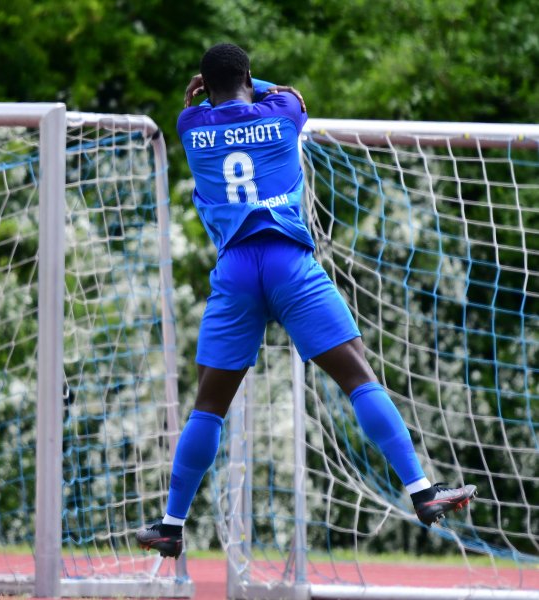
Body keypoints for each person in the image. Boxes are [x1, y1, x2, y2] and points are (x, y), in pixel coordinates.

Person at [136, 43, 476, 559]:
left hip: (235, 272)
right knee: (358, 376)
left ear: (202, 85)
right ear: (249, 77)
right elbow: (286, 94)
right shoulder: (282, 113)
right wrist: (253, 84)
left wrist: (209, 90)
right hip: (288, 263)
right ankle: (422, 492)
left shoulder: (190, 125)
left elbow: (218, 98)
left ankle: (170, 524)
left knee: (209, 403)